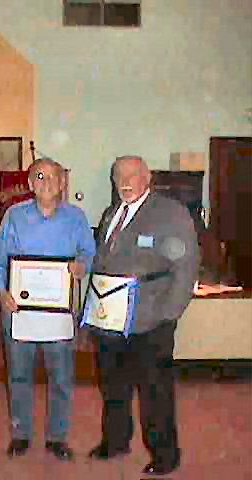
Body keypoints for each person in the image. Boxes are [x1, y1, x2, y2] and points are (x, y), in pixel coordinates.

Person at [87, 155, 199, 476]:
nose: (125, 181)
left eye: (132, 174)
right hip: (111, 320)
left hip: (151, 320)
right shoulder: (111, 213)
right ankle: (115, 441)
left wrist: (169, 313)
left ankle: (165, 455)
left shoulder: (170, 213)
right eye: (119, 175)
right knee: (113, 386)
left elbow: (187, 265)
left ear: (147, 177)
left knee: (155, 392)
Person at [0, 158, 96, 461]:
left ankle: (57, 438)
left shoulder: (76, 218)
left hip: (59, 315)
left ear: (63, 183)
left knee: (61, 378)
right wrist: (1, 291)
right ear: (30, 184)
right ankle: (20, 435)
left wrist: (81, 266)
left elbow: (89, 253)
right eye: (40, 177)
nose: (47, 183)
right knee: (19, 376)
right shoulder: (14, 216)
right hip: (19, 311)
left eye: (53, 177)